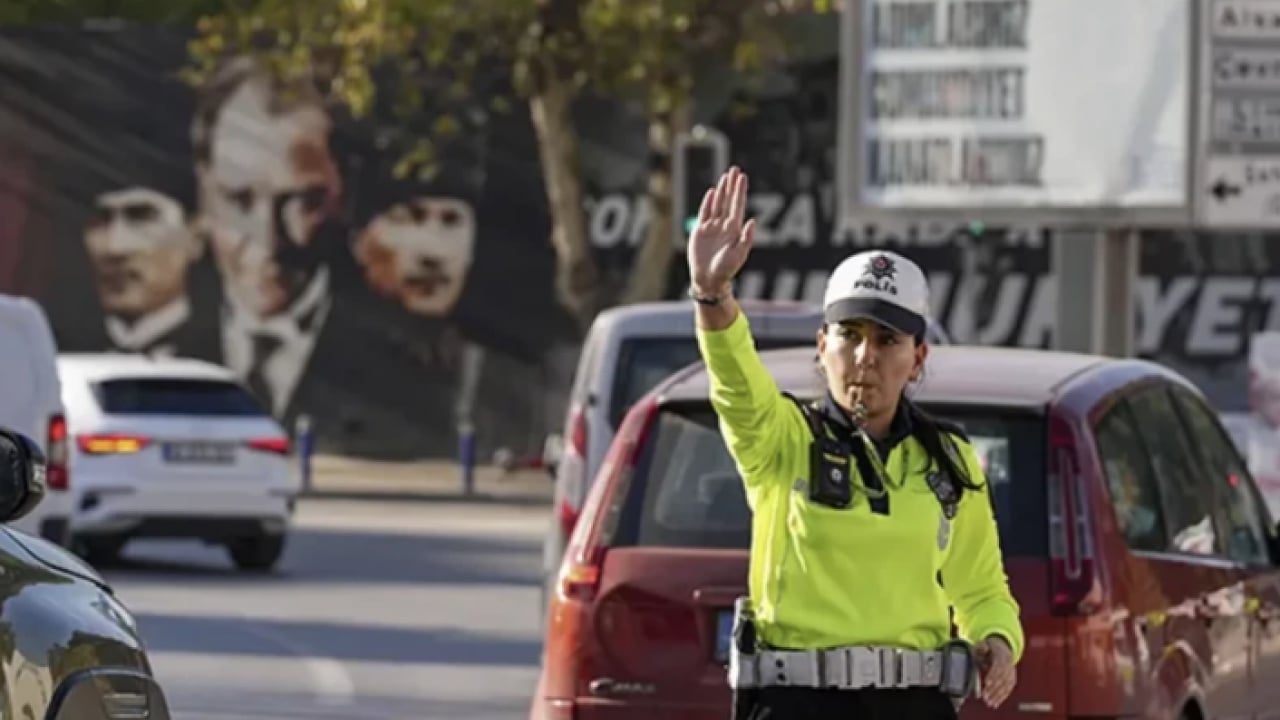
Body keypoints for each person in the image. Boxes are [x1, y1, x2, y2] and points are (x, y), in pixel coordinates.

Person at [689, 167, 1021, 719]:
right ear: (822, 347)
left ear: (918, 358)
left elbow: (982, 588)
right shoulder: (782, 438)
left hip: (915, 706)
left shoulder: (949, 461)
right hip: (796, 705)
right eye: (849, 334)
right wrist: (712, 294)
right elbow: (735, 381)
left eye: (887, 339)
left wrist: (998, 640)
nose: (866, 356)